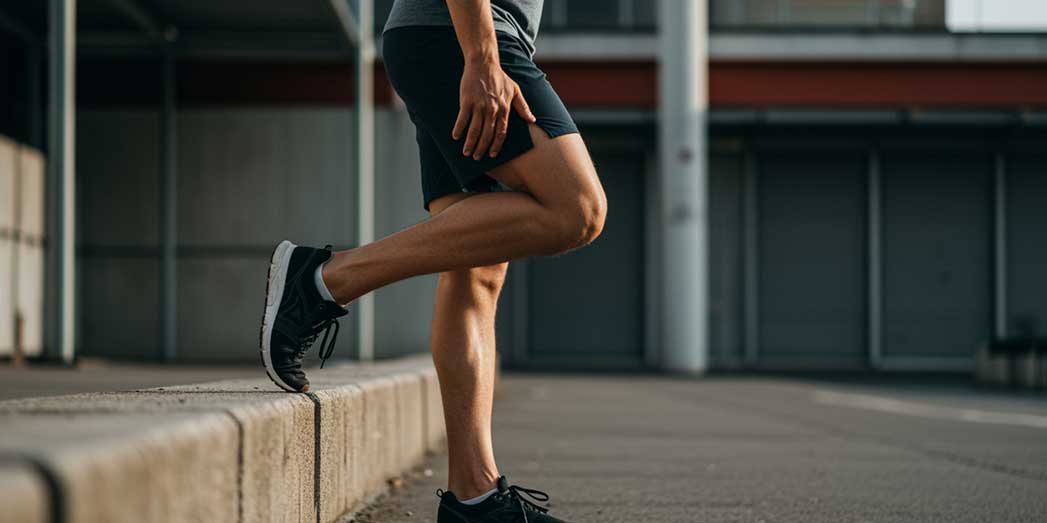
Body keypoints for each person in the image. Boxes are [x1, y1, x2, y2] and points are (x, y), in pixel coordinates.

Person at [259, 0, 605, 520]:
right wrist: (482, 57)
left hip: (446, 39)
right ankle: (326, 278)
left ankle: (475, 498)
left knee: (476, 273)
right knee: (576, 209)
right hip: (460, 37)